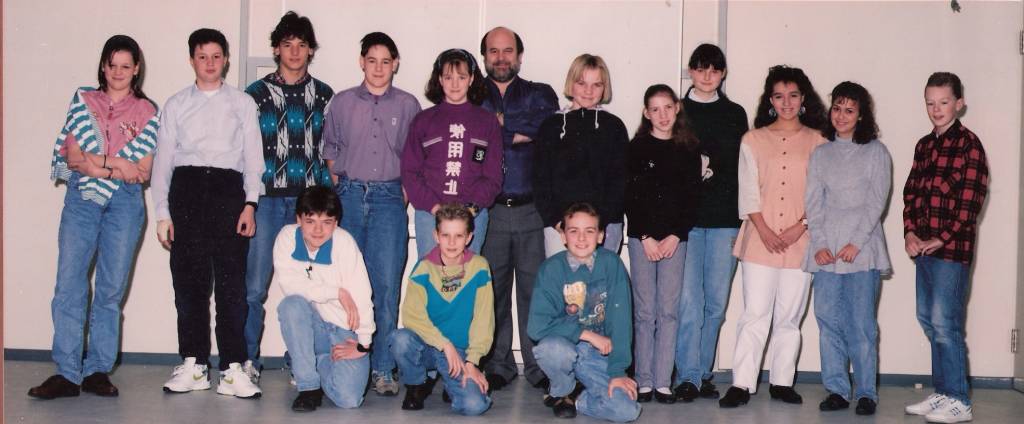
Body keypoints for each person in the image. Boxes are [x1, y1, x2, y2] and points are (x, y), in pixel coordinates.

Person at [29, 35, 159, 400]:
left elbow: (142, 172)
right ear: (103, 66)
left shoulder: (148, 111)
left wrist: (98, 163)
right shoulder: (84, 100)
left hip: (125, 205)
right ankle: (66, 373)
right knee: (69, 284)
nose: (118, 72)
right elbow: (74, 158)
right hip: (82, 200)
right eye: (112, 65)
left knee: (110, 289)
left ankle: (97, 371)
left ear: (136, 69)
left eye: (125, 66)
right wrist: (116, 164)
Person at [151, 28, 264, 399]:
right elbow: (163, 163)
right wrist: (163, 213)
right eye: (202, 56)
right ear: (192, 60)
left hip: (229, 194)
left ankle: (232, 368)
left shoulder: (243, 104)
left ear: (226, 59)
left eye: (217, 56)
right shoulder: (176, 104)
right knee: (189, 286)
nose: (210, 63)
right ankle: (194, 364)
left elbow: (253, 159)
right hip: (186, 193)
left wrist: (250, 203)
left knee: (232, 288)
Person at [719, 65, 826, 408]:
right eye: (779, 96)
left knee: (789, 317)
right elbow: (748, 192)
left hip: (801, 240)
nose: (787, 102)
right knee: (755, 314)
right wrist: (764, 231)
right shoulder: (752, 139)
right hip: (758, 240)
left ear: (803, 98)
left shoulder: (818, 141)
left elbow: (821, 194)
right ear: (770, 100)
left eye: (793, 95)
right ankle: (742, 383)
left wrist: (800, 226)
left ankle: (782, 382)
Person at [323, 31, 421, 396]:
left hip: (389, 199)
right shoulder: (343, 102)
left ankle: (382, 367)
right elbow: (331, 151)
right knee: (347, 284)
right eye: (372, 60)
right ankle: (349, 364)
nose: (378, 68)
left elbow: (414, 158)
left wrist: (400, 195)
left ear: (396, 64)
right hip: (349, 196)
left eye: (386, 61)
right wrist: (344, 190)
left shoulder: (409, 105)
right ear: (361, 62)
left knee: (385, 285)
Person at [242, 11, 335, 383]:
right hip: (265, 200)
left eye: (301, 45)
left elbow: (329, 154)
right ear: (276, 49)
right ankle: (247, 361)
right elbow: (244, 153)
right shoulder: (255, 95)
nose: (294, 52)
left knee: (308, 288)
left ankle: (302, 361)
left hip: (307, 207)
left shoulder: (324, 96)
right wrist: (247, 202)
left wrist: (326, 206)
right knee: (254, 286)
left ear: (311, 50)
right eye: (287, 44)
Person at [902, 72, 988, 424]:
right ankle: (943, 393)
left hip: (952, 253)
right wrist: (910, 232)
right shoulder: (924, 146)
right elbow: (910, 194)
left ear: (959, 104)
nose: (936, 109)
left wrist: (942, 237)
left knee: (945, 323)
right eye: (930, 103)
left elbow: (971, 202)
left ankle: (959, 400)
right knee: (929, 319)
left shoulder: (970, 145)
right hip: (923, 251)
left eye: (944, 102)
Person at [477, 26, 559, 392]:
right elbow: (476, 133)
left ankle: (537, 365)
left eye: (507, 50)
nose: (501, 58)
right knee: (492, 291)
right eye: (493, 51)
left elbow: (547, 126)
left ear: (519, 56)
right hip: (489, 210)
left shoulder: (540, 93)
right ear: (484, 57)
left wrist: (498, 127)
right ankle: (499, 363)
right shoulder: (473, 93)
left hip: (531, 209)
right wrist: (518, 132)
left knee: (533, 291)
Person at [805, 81, 891, 416]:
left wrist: (856, 242)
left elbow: (876, 202)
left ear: (861, 115)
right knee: (828, 319)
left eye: (849, 110)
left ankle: (866, 392)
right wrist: (820, 244)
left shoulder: (876, 152)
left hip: (863, 247)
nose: (841, 116)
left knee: (861, 323)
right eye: (837, 108)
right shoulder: (821, 153)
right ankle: (837, 389)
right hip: (826, 247)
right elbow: (813, 202)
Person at [672, 43, 749, 402]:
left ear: (722, 73)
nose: (707, 76)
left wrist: (744, 220)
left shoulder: (734, 113)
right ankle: (687, 375)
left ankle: (702, 373)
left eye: (714, 70)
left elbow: (742, 169)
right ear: (690, 71)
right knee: (689, 301)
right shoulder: (676, 110)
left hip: (724, 220)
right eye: (701, 69)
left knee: (716, 302)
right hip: (685, 221)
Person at [529, 203, 641, 422]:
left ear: (600, 236)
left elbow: (621, 323)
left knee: (626, 411)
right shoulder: (551, 269)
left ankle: (579, 397)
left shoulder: (612, 264)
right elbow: (536, 327)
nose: (581, 238)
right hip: (566, 346)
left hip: (599, 355)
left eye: (589, 231)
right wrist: (586, 334)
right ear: (563, 235)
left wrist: (618, 372)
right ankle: (562, 389)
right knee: (551, 348)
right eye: (574, 231)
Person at [625, 84, 700, 404]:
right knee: (645, 311)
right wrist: (645, 237)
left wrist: (675, 235)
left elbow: (692, 198)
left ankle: (662, 381)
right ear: (646, 113)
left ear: (677, 107)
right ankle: (643, 380)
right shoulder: (636, 148)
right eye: (655, 109)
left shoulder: (688, 149)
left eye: (668, 107)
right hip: (642, 240)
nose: (663, 115)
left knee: (668, 311)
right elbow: (631, 197)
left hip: (674, 241)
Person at [273, 186, 374, 412]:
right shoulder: (287, 238)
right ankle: (308, 387)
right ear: (299, 219)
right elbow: (290, 285)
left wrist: (363, 344)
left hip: (343, 328)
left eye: (326, 222)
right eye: (310, 221)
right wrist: (336, 292)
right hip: (314, 325)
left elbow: (362, 294)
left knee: (349, 399)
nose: (318, 230)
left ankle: (309, 361)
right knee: (291, 305)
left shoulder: (344, 243)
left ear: (336, 223)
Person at [390, 203, 494, 416]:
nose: (452, 242)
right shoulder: (423, 267)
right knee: (400, 339)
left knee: (475, 406)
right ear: (436, 236)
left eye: (459, 236)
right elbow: (411, 316)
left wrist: (472, 362)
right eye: (446, 235)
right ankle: (417, 383)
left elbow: (484, 319)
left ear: (469, 237)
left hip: (461, 351)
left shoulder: (479, 267)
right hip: (429, 346)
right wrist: (444, 344)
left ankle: (451, 384)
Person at [401, 48, 503, 258]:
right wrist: (435, 208)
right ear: (439, 79)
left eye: (461, 77)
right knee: (431, 273)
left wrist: (469, 211)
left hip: (473, 216)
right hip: (430, 215)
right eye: (448, 77)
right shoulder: (423, 120)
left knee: (467, 275)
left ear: (471, 79)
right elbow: (410, 172)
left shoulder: (487, 122)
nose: (455, 84)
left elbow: (493, 176)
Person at [533, 54, 628, 257]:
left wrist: (599, 226)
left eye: (597, 85)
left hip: (605, 228)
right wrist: (558, 223)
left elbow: (620, 182)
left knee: (601, 279)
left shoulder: (614, 126)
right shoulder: (551, 126)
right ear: (571, 83)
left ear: (605, 87)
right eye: (581, 83)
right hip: (560, 229)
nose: (588, 91)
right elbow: (540, 181)